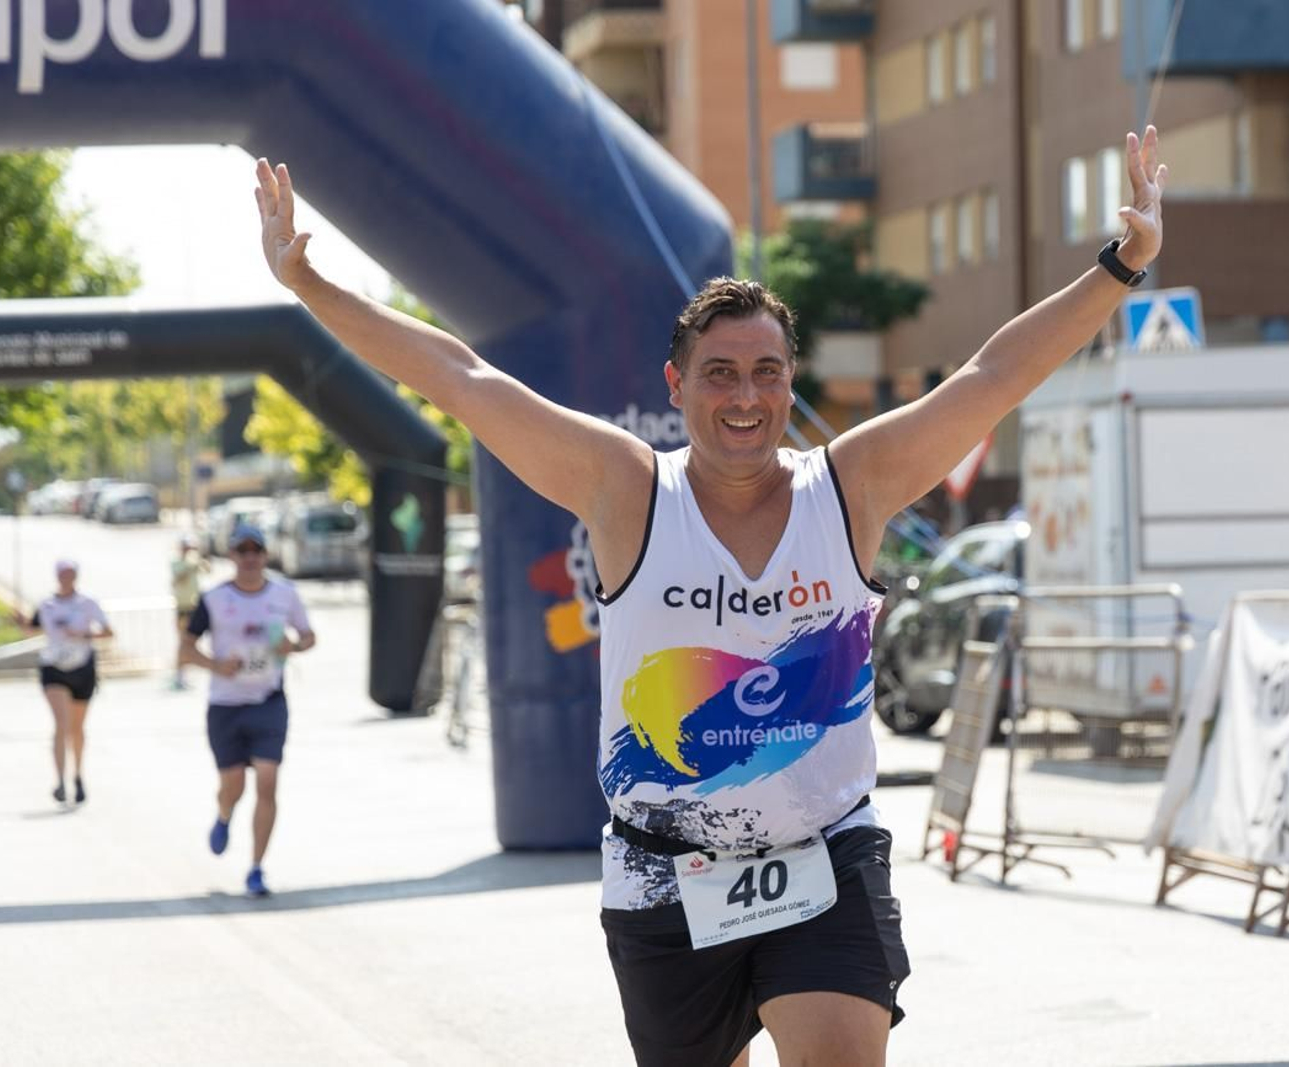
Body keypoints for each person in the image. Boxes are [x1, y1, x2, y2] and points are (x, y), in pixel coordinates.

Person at [251, 125, 1166, 1065]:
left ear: (790, 383)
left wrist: (1121, 265)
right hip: (663, 872)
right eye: (720, 373)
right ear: (676, 384)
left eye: (767, 373)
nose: (745, 397)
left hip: (826, 857)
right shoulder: (625, 487)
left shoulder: (851, 485)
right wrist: (309, 283)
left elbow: (993, 376)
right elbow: (462, 376)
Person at [179, 522, 316, 898]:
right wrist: (215, 665)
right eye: (243, 551)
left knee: (268, 781)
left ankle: (256, 868)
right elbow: (185, 649)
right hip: (225, 705)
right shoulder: (215, 599)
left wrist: (294, 646)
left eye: (257, 551)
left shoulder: (285, 594)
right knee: (233, 784)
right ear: (232, 556)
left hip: (268, 701)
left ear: (266, 555)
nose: (251, 558)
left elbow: (309, 636)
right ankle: (224, 815)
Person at [15, 560, 113, 804]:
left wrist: (83, 634)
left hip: (82, 667)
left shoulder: (87, 603)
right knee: (61, 723)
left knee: (76, 729)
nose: (66, 578)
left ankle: (77, 775)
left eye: (70, 574)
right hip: (53, 668)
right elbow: (32, 629)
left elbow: (108, 632)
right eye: (62, 574)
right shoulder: (47, 604)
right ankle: (60, 781)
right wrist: (21, 622)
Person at [169, 533, 209, 690]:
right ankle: (180, 675)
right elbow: (178, 579)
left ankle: (186, 673)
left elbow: (208, 569)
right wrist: (190, 566)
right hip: (183, 607)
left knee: (192, 642)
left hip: (195, 607)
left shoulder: (194, 561)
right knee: (183, 641)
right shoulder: (177, 562)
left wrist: (201, 559)